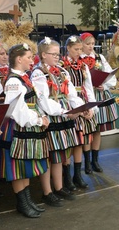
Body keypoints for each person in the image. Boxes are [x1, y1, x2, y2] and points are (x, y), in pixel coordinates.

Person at [2, 43, 50, 218]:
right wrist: (38, 119)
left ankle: (28, 200)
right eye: (29, 57)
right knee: (18, 168)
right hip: (19, 129)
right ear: (19, 59)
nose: (32, 60)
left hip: (27, 128)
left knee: (25, 166)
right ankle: (22, 203)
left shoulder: (23, 77)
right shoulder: (14, 81)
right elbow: (17, 111)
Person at [31, 37, 79, 204]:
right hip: (52, 116)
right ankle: (47, 191)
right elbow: (43, 100)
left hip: (64, 115)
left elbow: (71, 93)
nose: (58, 57)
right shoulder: (38, 73)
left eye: (59, 54)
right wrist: (66, 112)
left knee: (60, 154)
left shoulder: (61, 71)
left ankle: (59, 188)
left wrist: (80, 108)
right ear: (43, 55)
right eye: (54, 54)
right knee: (49, 156)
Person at [61, 35, 98, 189]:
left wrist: (91, 107)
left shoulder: (83, 65)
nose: (78, 52)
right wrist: (80, 108)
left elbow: (88, 87)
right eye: (76, 49)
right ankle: (67, 177)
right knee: (70, 142)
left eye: (80, 49)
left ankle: (77, 174)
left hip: (83, 102)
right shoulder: (62, 65)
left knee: (81, 141)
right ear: (68, 48)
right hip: (71, 103)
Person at [80, 32, 118, 174]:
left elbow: (110, 75)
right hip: (86, 96)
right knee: (86, 130)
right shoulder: (78, 60)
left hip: (99, 94)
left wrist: (105, 85)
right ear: (81, 44)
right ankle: (86, 161)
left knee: (97, 130)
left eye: (92, 44)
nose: (90, 46)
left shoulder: (99, 58)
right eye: (87, 44)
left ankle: (95, 160)